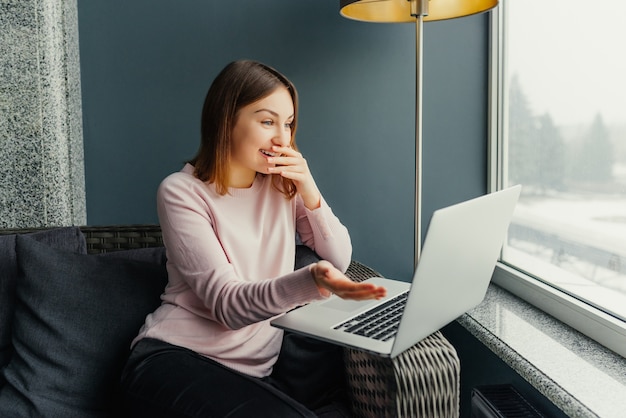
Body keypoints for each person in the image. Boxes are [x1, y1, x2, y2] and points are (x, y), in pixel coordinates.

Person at [119, 60, 386, 417]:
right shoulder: (181, 192)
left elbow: (338, 258)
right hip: (172, 359)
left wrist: (309, 188)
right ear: (226, 120)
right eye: (266, 121)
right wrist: (311, 280)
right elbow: (228, 307)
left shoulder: (281, 187)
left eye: (288, 123)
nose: (282, 137)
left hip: (251, 376)